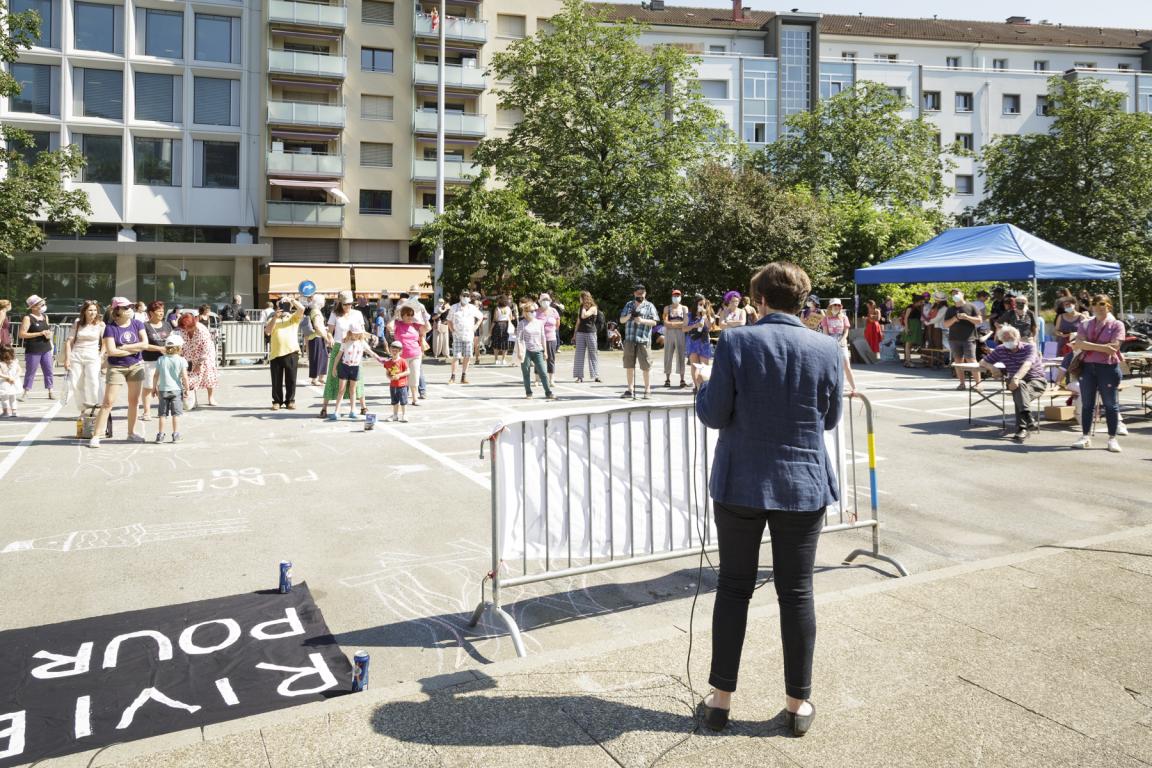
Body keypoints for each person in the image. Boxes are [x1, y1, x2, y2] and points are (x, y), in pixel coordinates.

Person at [693, 261, 841, 737]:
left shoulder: (736, 341)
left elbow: (715, 414)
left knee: (733, 587)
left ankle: (720, 701)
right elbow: (831, 418)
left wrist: (701, 386)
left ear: (759, 300)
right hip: (803, 482)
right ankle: (798, 704)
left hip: (741, 481)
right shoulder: (827, 346)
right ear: (803, 301)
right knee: (796, 592)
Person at [90, 297, 149, 447]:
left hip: (136, 366)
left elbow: (145, 344)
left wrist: (125, 348)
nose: (130, 309)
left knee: (134, 401)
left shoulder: (137, 323)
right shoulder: (110, 328)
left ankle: (131, 433)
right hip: (117, 367)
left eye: (130, 307)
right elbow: (111, 351)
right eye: (126, 307)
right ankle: (96, 435)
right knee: (108, 402)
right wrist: (133, 350)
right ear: (118, 310)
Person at [1071, 294, 1126, 453]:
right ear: (1091, 306)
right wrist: (1103, 347)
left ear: (1109, 306)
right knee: (1087, 404)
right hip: (1087, 367)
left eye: (1102, 303)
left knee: (1110, 404)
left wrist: (1087, 345)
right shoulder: (1085, 324)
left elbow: (1113, 348)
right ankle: (1085, 436)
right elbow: (1079, 344)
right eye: (1094, 303)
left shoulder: (1117, 324)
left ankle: (1112, 438)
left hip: (1108, 367)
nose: (1098, 306)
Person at [979, 326, 1048, 441]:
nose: (1008, 341)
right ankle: (1028, 418)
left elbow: (1027, 365)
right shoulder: (1000, 349)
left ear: (1018, 337)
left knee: (1019, 392)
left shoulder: (1029, 347)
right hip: (1016, 383)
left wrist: (1016, 378)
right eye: (1005, 339)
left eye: (1010, 338)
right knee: (1019, 389)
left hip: (1036, 381)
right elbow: (982, 361)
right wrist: (992, 368)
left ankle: (1022, 428)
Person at [320, 291, 366, 419]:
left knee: (357, 378)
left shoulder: (358, 313)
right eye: (345, 304)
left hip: (354, 349)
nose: (347, 306)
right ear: (340, 303)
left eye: (350, 304)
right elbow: (329, 332)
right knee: (332, 377)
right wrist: (330, 338)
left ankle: (362, 406)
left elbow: (362, 332)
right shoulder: (335, 314)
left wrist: (368, 340)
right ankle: (324, 407)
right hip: (339, 346)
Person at [331, 329, 382, 421]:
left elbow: (371, 352)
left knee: (353, 390)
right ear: (350, 333)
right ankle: (336, 411)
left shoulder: (362, 342)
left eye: (358, 333)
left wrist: (380, 360)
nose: (356, 335)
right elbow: (338, 356)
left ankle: (353, 410)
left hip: (355, 368)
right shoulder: (345, 342)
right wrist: (334, 368)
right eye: (354, 333)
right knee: (341, 390)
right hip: (344, 367)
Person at [64, 300, 105, 413]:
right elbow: (69, 342)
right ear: (84, 311)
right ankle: (83, 409)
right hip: (76, 355)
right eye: (90, 310)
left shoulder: (101, 324)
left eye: (95, 310)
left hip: (93, 355)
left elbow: (105, 342)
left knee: (94, 382)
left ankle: (96, 407)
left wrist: (101, 355)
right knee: (77, 383)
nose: (93, 312)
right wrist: (67, 359)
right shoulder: (78, 323)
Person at [619, 284, 659, 400]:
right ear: (634, 293)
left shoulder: (649, 305)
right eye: (638, 293)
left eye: (642, 293)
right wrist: (630, 315)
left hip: (643, 339)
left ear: (645, 294)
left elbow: (654, 322)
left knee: (646, 366)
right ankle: (630, 389)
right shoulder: (629, 305)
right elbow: (621, 320)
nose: (640, 295)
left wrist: (641, 320)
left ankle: (647, 390)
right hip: (630, 339)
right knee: (629, 365)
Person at [266, 295, 304, 411]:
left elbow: (302, 309)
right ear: (278, 306)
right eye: (282, 305)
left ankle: (290, 401)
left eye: (286, 306)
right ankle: (277, 401)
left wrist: (291, 300)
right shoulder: (272, 318)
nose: (284, 307)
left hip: (291, 352)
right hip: (276, 353)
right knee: (276, 380)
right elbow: (267, 332)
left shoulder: (293, 317)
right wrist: (275, 317)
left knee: (291, 379)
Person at [389, 304, 429, 407]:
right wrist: (395, 315)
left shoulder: (415, 325)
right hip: (401, 356)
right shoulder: (398, 323)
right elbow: (389, 326)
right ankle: (402, 397)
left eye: (411, 315)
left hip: (415, 354)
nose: (410, 317)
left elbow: (427, 328)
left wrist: (424, 313)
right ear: (402, 315)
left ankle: (415, 398)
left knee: (414, 377)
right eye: (407, 315)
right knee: (401, 378)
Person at [177, 312, 219, 408]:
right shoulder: (183, 329)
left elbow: (206, 348)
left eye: (186, 328)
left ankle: (211, 397)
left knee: (208, 373)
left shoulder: (202, 330)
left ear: (192, 325)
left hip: (205, 354)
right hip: (190, 352)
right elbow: (183, 344)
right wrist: (181, 356)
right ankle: (193, 399)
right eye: (183, 328)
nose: (184, 330)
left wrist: (199, 364)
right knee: (189, 375)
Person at [516, 298, 555, 400]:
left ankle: (548, 392)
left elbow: (543, 337)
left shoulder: (539, 323)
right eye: (531, 311)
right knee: (526, 372)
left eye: (534, 311)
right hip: (526, 351)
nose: (533, 313)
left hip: (538, 350)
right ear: (526, 312)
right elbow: (519, 339)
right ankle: (528, 393)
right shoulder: (522, 323)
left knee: (543, 372)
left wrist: (545, 351)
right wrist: (520, 352)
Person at [152, 335, 189, 443]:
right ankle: (176, 435)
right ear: (179, 348)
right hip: (176, 390)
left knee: (162, 414)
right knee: (175, 414)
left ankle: (160, 435)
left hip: (163, 390)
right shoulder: (181, 360)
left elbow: (156, 375)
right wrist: (187, 388)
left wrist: (154, 387)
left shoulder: (161, 359)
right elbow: (185, 376)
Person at [18, 294, 55, 400]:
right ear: (33, 307)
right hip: (33, 349)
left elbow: (48, 330)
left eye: (43, 304)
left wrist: (49, 334)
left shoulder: (45, 317)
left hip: (46, 347)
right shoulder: (28, 318)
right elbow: (22, 334)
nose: (43, 306)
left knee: (48, 370)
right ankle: (25, 392)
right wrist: (39, 334)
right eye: (41, 304)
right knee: (31, 371)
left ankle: (50, 391)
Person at [943, 290, 982, 390]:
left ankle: (978, 384)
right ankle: (962, 384)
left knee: (971, 360)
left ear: (962, 294)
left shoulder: (971, 306)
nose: (955, 295)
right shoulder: (950, 309)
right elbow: (946, 324)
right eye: (953, 294)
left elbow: (979, 321)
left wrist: (967, 317)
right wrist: (955, 318)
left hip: (969, 338)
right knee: (958, 361)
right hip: (954, 339)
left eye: (957, 293)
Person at [139, 301, 170, 421]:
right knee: (148, 386)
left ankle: (163, 411)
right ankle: (146, 412)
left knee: (164, 386)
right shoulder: (144, 326)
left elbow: (172, 340)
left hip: (166, 361)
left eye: (162, 310)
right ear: (151, 313)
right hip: (149, 361)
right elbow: (144, 345)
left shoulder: (167, 325)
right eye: (158, 311)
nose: (161, 313)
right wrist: (159, 348)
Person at [818, 298, 856, 394]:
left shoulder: (844, 317)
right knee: (831, 366)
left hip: (841, 343)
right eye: (835, 305)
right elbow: (825, 332)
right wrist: (831, 342)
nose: (837, 307)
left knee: (846, 365)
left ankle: (854, 387)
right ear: (830, 306)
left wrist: (842, 340)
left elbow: (846, 332)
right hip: (830, 342)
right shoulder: (826, 318)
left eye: (839, 305)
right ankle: (831, 387)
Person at [448, 290, 483, 384]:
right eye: (464, 295)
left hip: (468, 335)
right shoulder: (454, 307)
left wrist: (476, 326)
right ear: (460, 296)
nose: (465, 297)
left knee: (467, 356)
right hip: (457, 335)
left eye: (467, 296)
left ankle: (464, 376)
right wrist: (452, 330)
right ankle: (453, 377)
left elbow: (480, 317)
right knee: (456, 356)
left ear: (470, 298)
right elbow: (449, 320)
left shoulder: (472, 308)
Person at [687, 296, 716, 392]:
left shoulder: (708, 315)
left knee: (705, 366)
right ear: (696, 304)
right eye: (700, 304)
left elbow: (709, 327)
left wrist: (704, 316)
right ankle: (697, 386)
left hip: (704, 342)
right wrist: (694, 325)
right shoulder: (689, 315)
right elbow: (683, 328)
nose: (702, 306)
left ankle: (704, 387)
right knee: (694, 366)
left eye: (704, 305)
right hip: (693, 341)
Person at [572, 291, 600, 383]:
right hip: (580, 333)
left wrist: (584, 307)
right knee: (579, 355)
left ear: (584, 298)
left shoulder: (593, 308)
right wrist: (574, 334)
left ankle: (595, 375)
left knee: (593, 354)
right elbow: (578, 321)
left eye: (581, 298)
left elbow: (584, 316)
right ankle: (579, 377)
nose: (579, 300)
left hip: (591, 333)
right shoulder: (580, 308)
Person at [663, 290, 689, 389]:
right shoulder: (667, 308)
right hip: (669, 334)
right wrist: (678, 324)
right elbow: (665, 323)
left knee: (681, 355)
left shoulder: (684, 308)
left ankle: (682, 379)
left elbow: (686, 323)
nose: (676, 297)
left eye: (678, 295)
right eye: (674, 295)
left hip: (681, 333)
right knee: (668, 355)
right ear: (671, 296)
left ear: (681, 296)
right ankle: (667, 379)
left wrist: (672, 324)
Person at [303, 296, 331, 386]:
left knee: (323, 357)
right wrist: (326, 337)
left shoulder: (315, 310)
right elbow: (317, 326)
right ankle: (314, 379)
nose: (324, 302)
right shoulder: (316, 311)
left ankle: (321, 378)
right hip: (316, 337)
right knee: (317, 358)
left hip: (317, 336)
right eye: (323, 300)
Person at [535, 293, 561, 382]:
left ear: (550, 301)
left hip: (551, 338)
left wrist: (551, 331)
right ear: (540, 301)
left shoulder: (554, 311)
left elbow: (558, 323)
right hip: (539, 339)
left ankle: (551, 379)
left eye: (547, 300)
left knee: (551, 359)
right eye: (543, 300)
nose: (545, 301)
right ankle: (537, 379)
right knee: (538, 359)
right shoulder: (536, 312)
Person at [382, 340, 410, 422]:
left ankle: (404, 415)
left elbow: (408, 371)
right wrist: (389, 378)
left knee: (403, 401)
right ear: (390, 350)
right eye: (393, 350)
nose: (394, 352)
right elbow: (387, 373)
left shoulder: (402, 361)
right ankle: (395, 415)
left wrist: (399, 375)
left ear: (400, 351)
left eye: (396, 351)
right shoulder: (388, 362)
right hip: (393, 385)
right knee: (394, 401)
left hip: (402, 385)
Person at [901, 295, 925, 367]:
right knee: (908, 344)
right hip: (911, 326)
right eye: (921, 301)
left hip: (916, 327)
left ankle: (908, 360)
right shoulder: (910, 307)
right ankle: (908, 361)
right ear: (917, 301)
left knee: (910, 345)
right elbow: (906, 318)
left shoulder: (919, 308)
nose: (922, 303)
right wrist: (907, 328)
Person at [491, 296, 514, 367]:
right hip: (506, 325)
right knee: (505, 342)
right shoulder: (508, 308)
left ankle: (496, 359)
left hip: (498, 325)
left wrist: (490, 329)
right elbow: (511, 317)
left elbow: (495, 319)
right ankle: (503, 359)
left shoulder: (497, 308)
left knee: (496, 342)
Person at [0, 346, 21, 417]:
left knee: (6, 397)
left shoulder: (14, 362)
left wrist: (12, 378)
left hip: (6, 382)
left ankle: (7, 412)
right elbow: (19, 370)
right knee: (11, 397)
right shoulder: (2, 363)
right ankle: (13, 412)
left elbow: (19, 370)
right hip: (9, 381)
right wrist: (12, 378)